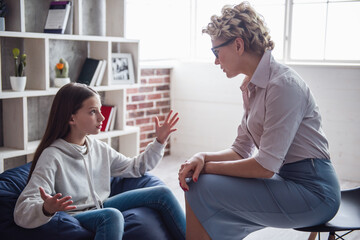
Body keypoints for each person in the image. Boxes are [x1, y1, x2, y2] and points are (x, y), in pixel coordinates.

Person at [178, 2, 340, 240]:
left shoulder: (283, 85)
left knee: (200, 183)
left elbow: (264, 167)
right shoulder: (251, 85)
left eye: (216, 52)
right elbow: (240, 149)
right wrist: (201, 157)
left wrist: (207, 168)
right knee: (200, 181)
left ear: (238, 44)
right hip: (286, 180)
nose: (215, 61)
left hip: (315, 193)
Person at [14, 83, 185, 240]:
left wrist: (159, 142)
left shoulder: (98, 147)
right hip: (75, 214)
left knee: (162, 193)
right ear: (71, 118)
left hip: (101, 204)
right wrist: (46, 208)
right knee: (112, 216)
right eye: (93, 111)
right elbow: (22, 211)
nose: (102, 118)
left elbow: (135, 167)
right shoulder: (52, 156)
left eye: (100, 110)